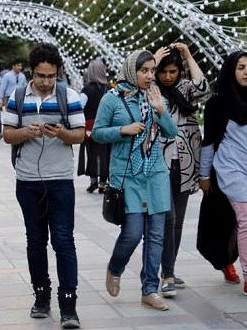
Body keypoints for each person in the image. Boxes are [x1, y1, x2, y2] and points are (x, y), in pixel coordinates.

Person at [2, 42, 85, 329]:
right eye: (41, 76)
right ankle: (41, 296)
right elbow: (8, 135)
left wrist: (61, 132)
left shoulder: (68, 95)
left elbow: (79, 135)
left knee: (63, 241)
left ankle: (68, 303)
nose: (47, 82)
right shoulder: (18, 95)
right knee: (35, 240)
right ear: (31, 73)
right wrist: (26, 131)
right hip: (27, 181)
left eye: (51, 76)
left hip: (60, 179)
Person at [92, 49, 177, 311]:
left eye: (153, 70)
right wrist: (122, 130)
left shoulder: (154, 95)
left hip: (156, 174)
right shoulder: (112, 98)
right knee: (132, 233)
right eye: (144, 71)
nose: (150, 76)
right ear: (132, 70)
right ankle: (115, 267)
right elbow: (96, 133)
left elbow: (171, 133)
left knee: (156, 235)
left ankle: (150, 290)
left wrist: (161, 110)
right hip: (128, 175)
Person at [197, 51, 247, 300]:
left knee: (236, 221)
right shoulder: (218, 103)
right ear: (231, 70)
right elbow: (209, 142)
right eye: (240, 67)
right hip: (229, 169)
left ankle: (225, 259)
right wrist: (204, 175)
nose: (246, 72)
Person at [153, 42, 210, 297]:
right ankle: (166, 275)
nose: (167, 76)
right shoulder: (151, 91)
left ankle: (170, 269)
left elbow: (203, 87)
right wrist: (152, 60)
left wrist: (187, 54)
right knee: (168, 218)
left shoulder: (185, 89)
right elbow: (129, 86)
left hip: (185, 165)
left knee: (177, 223)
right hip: (158, 165)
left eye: (172, 72)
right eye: (163, 71)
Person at [77, 58, 110, 193]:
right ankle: (103, 182)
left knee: (92, 153)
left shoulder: (87, 90)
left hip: (91, 128)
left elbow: (79, 106)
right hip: (107, 127)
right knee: (106, 153)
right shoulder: (109, 89)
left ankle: (93, 182)